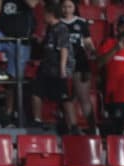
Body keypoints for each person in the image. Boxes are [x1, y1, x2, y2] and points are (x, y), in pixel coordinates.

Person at [31, 2, 77, 133]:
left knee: (64, 98)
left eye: (44, 13)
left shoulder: (61, 28)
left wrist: (62, 68)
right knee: (36, 92)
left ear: (50, 14)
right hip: (46, 67)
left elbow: (63, 48)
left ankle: (73, 126)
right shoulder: (49, 29)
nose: (43, 16)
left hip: (57, 69)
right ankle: (37, 120)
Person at [96, 16, 124, 135]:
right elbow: (99, 63)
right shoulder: (108, 43)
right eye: (123, 26)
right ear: (117, 28)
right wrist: (115, 49)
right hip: (114, 95)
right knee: (116, 131)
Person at [60, 0, 96, 134]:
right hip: (63, 64)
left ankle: (92, 129)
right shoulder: (57, 23)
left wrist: (93, 51)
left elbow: (88, 42)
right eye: (64, 6)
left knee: (83, 97)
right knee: (67, 97)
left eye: (69, 6)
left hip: (80, 62)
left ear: (74, 7)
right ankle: (74, 128)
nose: (66, 9)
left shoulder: (81, 23)